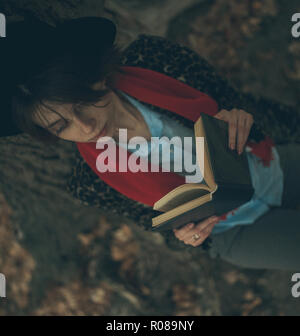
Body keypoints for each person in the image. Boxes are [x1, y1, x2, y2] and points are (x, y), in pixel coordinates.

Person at [1, 16, 300, 271]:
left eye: (83, 103)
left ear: (94, 77)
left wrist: (241, 119)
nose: (87, 127)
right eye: (61, 125)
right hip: (234, 230)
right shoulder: (90, 182)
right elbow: (158, 223)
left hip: (269, 164)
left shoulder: (156, 60)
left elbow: (235, 101)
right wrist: (186, 236)